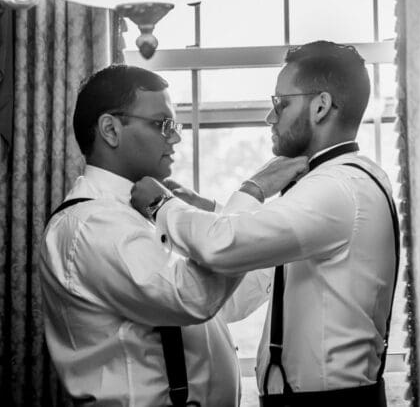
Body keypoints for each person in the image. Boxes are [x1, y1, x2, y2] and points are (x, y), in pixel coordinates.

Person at [130, 40, 398, 405]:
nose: (271, 118)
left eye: (281, 103)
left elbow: (223, 246)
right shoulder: (328, 187)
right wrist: (210, 209)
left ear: (320, 107)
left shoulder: (337, 188)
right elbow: (235, 300)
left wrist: (162, 205)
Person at [40, 64, 304, 405]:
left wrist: (283, 239)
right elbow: (191, 297)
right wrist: (252, 192)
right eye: (162, 125)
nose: (176, 137)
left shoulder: (145, 210)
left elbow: (225, 302)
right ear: (110, 130)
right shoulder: (90, 223)